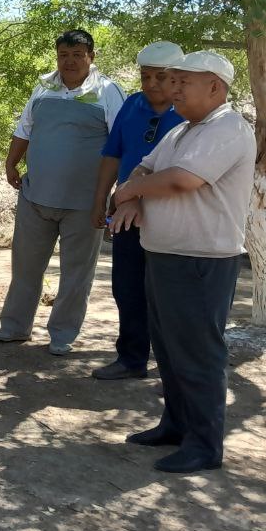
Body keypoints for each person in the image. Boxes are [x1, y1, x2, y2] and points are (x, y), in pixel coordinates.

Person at [110, 51, 254, 474]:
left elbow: (179, 180)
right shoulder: (182, 131)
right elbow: (143, 168)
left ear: (214, 86)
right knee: (170, 350)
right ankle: (175, 426)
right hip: (165, 255)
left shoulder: (227, 128)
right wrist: (133, 191)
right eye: (171, 81)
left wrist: (126, 193)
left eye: (182, 82)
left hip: (201, 260)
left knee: (197, 354)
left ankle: (204, 446)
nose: (172, 89)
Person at [0, 29, 125, 354]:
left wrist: (111, 196)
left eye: (78, 55)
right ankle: (14, 327)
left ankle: (62, 335)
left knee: (76, 274)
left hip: (85, 203)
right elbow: (24, 129)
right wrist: (11, 163)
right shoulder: (44, 88)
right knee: (25, 266)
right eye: (64, 55)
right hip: (35, 196)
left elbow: (120, 145)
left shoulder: (107, 91)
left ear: (91, 57)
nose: (70, 62)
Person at [89, 41, 185, 380]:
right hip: (126, 212)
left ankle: (176, 368)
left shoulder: (190, 114)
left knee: (169, 294)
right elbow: (112, 154)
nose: (152, 84)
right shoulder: (131, 105)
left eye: (161, 77)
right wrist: (102, 198)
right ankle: (131, 359)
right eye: (146, 76)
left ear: (177, 78)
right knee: (127, 286)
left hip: (173, 216)